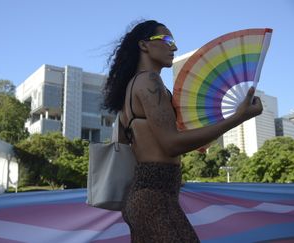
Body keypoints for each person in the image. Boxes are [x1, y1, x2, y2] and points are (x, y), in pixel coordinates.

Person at [102, 20, 263, 242]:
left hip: (144, 198)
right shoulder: (150, 81)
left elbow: (136, 149)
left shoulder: (129, 90)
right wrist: (237, 118)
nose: (174, 47)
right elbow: (171, 144)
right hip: (154, 199)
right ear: (144, 45)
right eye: (167, 40)